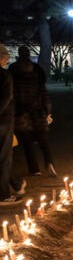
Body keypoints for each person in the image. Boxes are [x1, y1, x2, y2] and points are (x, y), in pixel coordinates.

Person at [11, 46, 55, 177]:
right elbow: (43, 92)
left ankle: (34, 168)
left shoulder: (13, 71)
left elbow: (11, 95)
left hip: (21, 112)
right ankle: (50, 163)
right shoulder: (37, 71)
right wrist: (47, 111)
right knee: (43, 140)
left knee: (27, 141)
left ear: (19, 55)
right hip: (38, 111)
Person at [0, 45, 18, 202]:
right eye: (5, 58)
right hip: (3, 121)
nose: (7, 61)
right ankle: (4, 194)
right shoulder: (4, 76)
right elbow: (6, 97)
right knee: (4, 158)